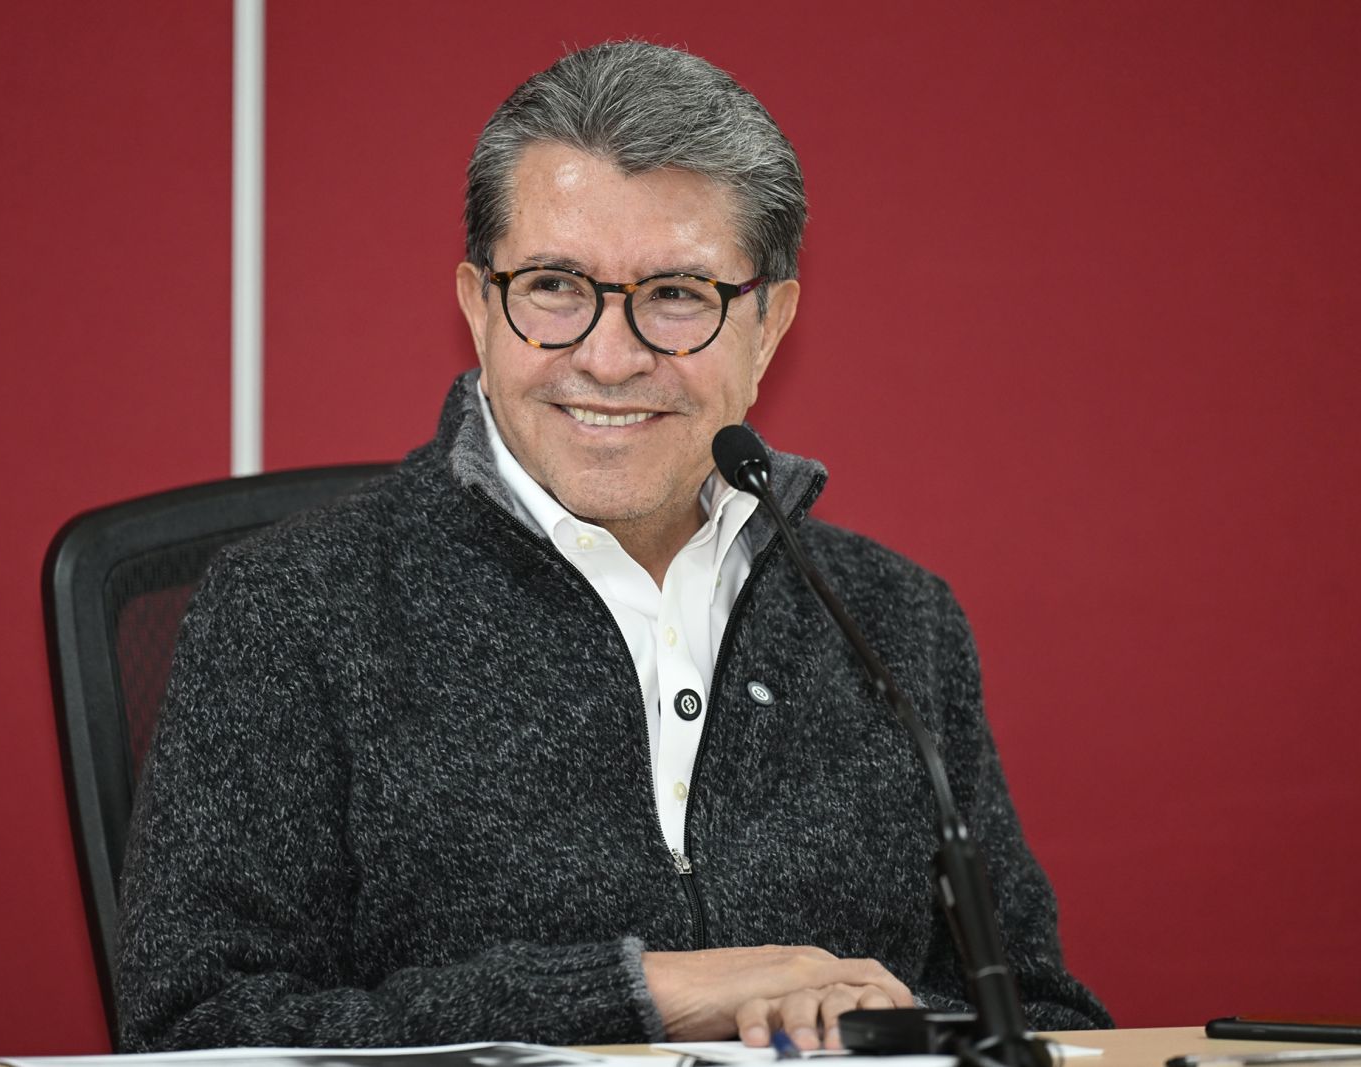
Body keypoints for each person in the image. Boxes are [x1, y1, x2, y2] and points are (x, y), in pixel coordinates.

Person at [117, 41, 1110, 1052]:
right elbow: (194, 1031)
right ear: (477, 307)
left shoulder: (894, 619)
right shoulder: (290, 608)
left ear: (769, 325)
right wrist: (645, 990)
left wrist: (888, 1032)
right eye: (554, 284)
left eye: (677, 294)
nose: (608, 355)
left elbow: (1039, 1013)